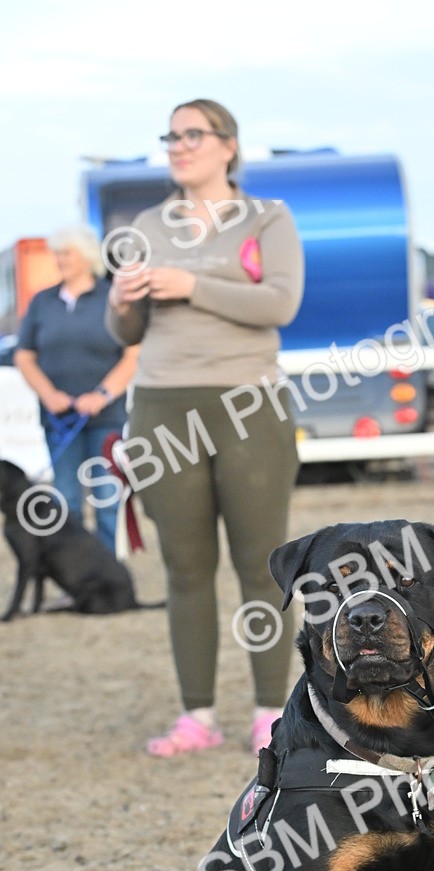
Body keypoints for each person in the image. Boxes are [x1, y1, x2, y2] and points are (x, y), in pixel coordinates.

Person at [106, 98, 304, 757]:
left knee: (260, 565)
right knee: (184, 567)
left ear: (228, 145)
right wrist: (120, 302)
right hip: (162, 403)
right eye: (171, 135)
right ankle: (196, 716)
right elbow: (127, 331)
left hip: (249, 404)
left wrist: (190, 284)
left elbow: (281, 302)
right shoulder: (145, 224)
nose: (179, 145)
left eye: (193, 134)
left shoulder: (268, 218)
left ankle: (272, 712)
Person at [14, 227, 138, 552]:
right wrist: (49, 395)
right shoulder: (42, 302)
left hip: (105, 419)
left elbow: (132, 354)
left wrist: (102, 395)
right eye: (57, 253)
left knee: (106, 499)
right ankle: (77, 573)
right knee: (66, 500)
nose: (59, 260)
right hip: (60, 421)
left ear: (86, 257)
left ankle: (109, 571)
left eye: (66, 253)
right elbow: (24, 356)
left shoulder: (112, 297)